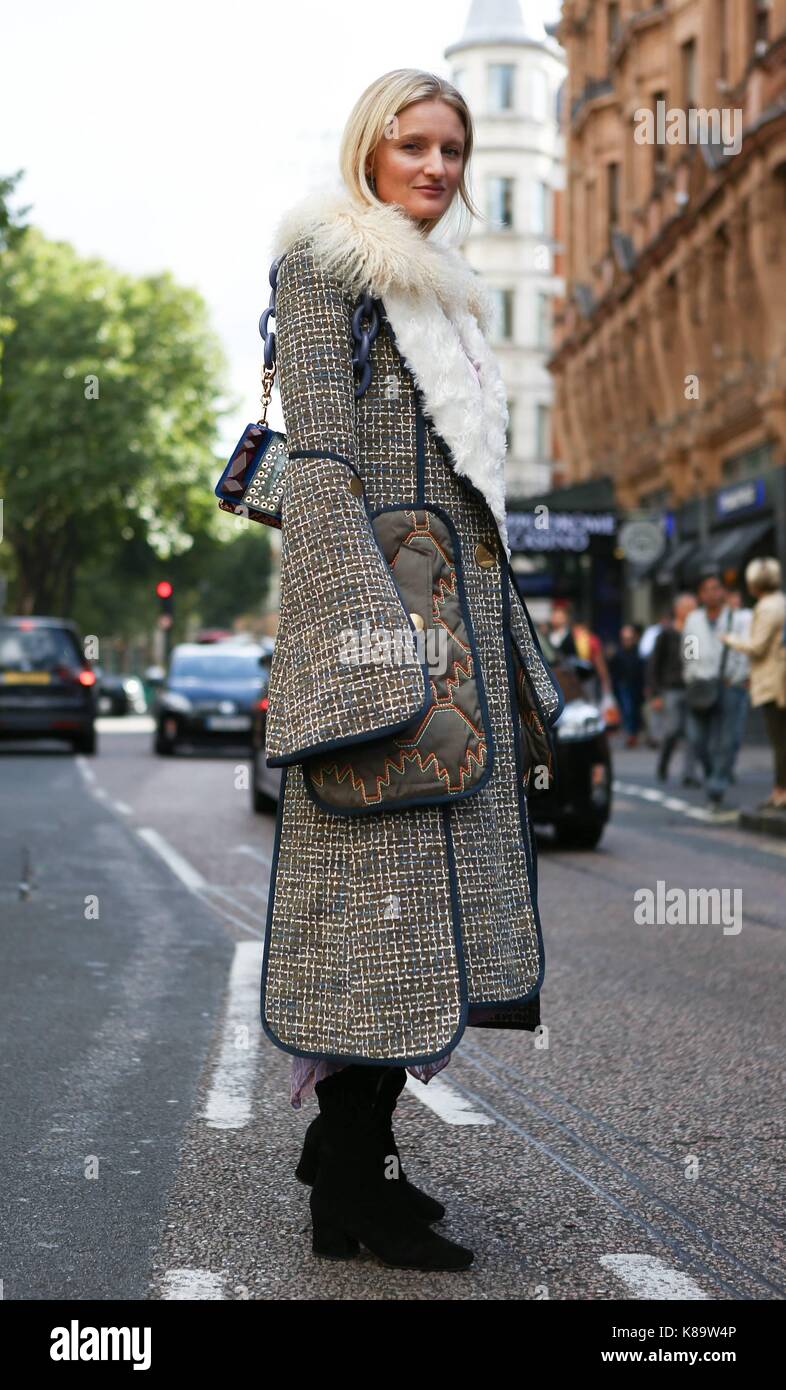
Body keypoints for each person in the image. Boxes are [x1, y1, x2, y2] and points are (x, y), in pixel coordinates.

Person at [260, 70, 564, 1271]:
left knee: (430, 938)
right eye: (415, 143)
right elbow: (322, 468)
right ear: (369, 147)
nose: (436, 167)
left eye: (454, 149)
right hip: (385, 657)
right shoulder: (327, 268)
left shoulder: (452, 306)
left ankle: (352, 1167)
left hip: (457, 653)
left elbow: (471, 511)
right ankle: (354, 1188)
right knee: (374, 945)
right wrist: (369, 662)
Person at [681, 568, 750, 809]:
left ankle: (717, 785)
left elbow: (744, 650)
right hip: (701, 685)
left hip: (730, 685)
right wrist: (692, 677)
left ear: (723, 591)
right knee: (697, 739)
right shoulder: (694, 619)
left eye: (716, 588)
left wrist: (739, 676)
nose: (712, 593)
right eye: (706, 589)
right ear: (700, 595)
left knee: (727, 739)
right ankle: (713, 773)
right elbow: (690, 652)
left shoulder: (739, 618)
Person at [721, 558, 786, 809]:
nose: (733, 601)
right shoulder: (695, 619)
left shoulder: (756, 611)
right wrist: (691, 669)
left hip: (745, 682)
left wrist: (729, 640)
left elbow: (757, 646)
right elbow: (689, 648)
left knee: (733, 737)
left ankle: (721, 779)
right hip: (706, 682)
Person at [647, 592, 698, 783]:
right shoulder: (666, 634)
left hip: (691, 688)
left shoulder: (693, 635)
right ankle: (664, 762)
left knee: (692, 732)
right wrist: (655, 694)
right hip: (670, 688)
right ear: (678, 610)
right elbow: (654, 665)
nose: (692, 611)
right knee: (673, 729)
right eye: (688, 607)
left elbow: (693, 661)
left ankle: (689, 773)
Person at [609, 624, 645, 746]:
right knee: (627, 710)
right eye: (625, 639)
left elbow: (642, 670)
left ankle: (633, 732)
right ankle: (631, 734)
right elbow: (613, 672)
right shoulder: (618, 654)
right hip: (623, 685)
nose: (627, 641)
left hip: (636, 685)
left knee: (635, 710)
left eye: (629, 638)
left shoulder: (638, 653)